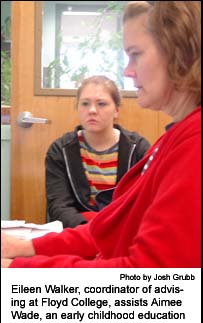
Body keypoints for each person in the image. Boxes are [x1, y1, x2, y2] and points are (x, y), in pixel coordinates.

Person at [1, 1, 201, 268]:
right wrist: (28, 247)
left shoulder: (191, 145)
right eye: (84, 104)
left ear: (180, 52)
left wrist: (17, 269)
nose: (127, 70)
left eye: (136, 54)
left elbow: (149, 280)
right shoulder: (173, 138)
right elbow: (112, 227)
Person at [45, 75, 150, 228]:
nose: (92, 110)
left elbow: (145, 202)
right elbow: (59, 205)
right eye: (85, 104)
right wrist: (87, 231)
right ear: (77, 108)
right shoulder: (60, 150)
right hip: (77, 230)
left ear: (116, 110)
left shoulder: (138, 148)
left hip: (122, 231)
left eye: (101, 104)